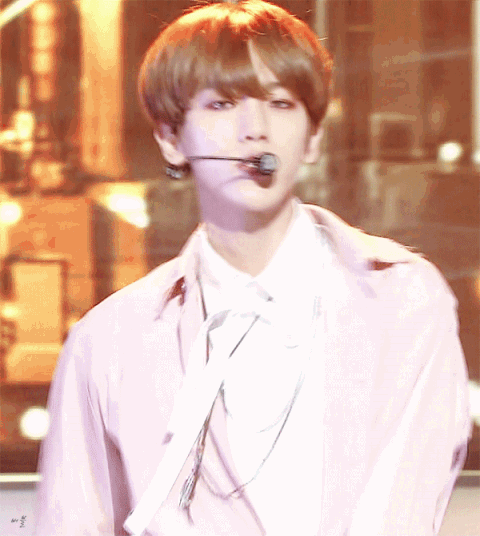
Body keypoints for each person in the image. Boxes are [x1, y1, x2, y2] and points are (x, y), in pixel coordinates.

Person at [34, 1, 472, 535]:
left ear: (312, 137)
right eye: (222, 104)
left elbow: (400, 512)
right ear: (171, 139)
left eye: (281, 103)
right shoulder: (106, 344)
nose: (255, 130)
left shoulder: (405, 302)